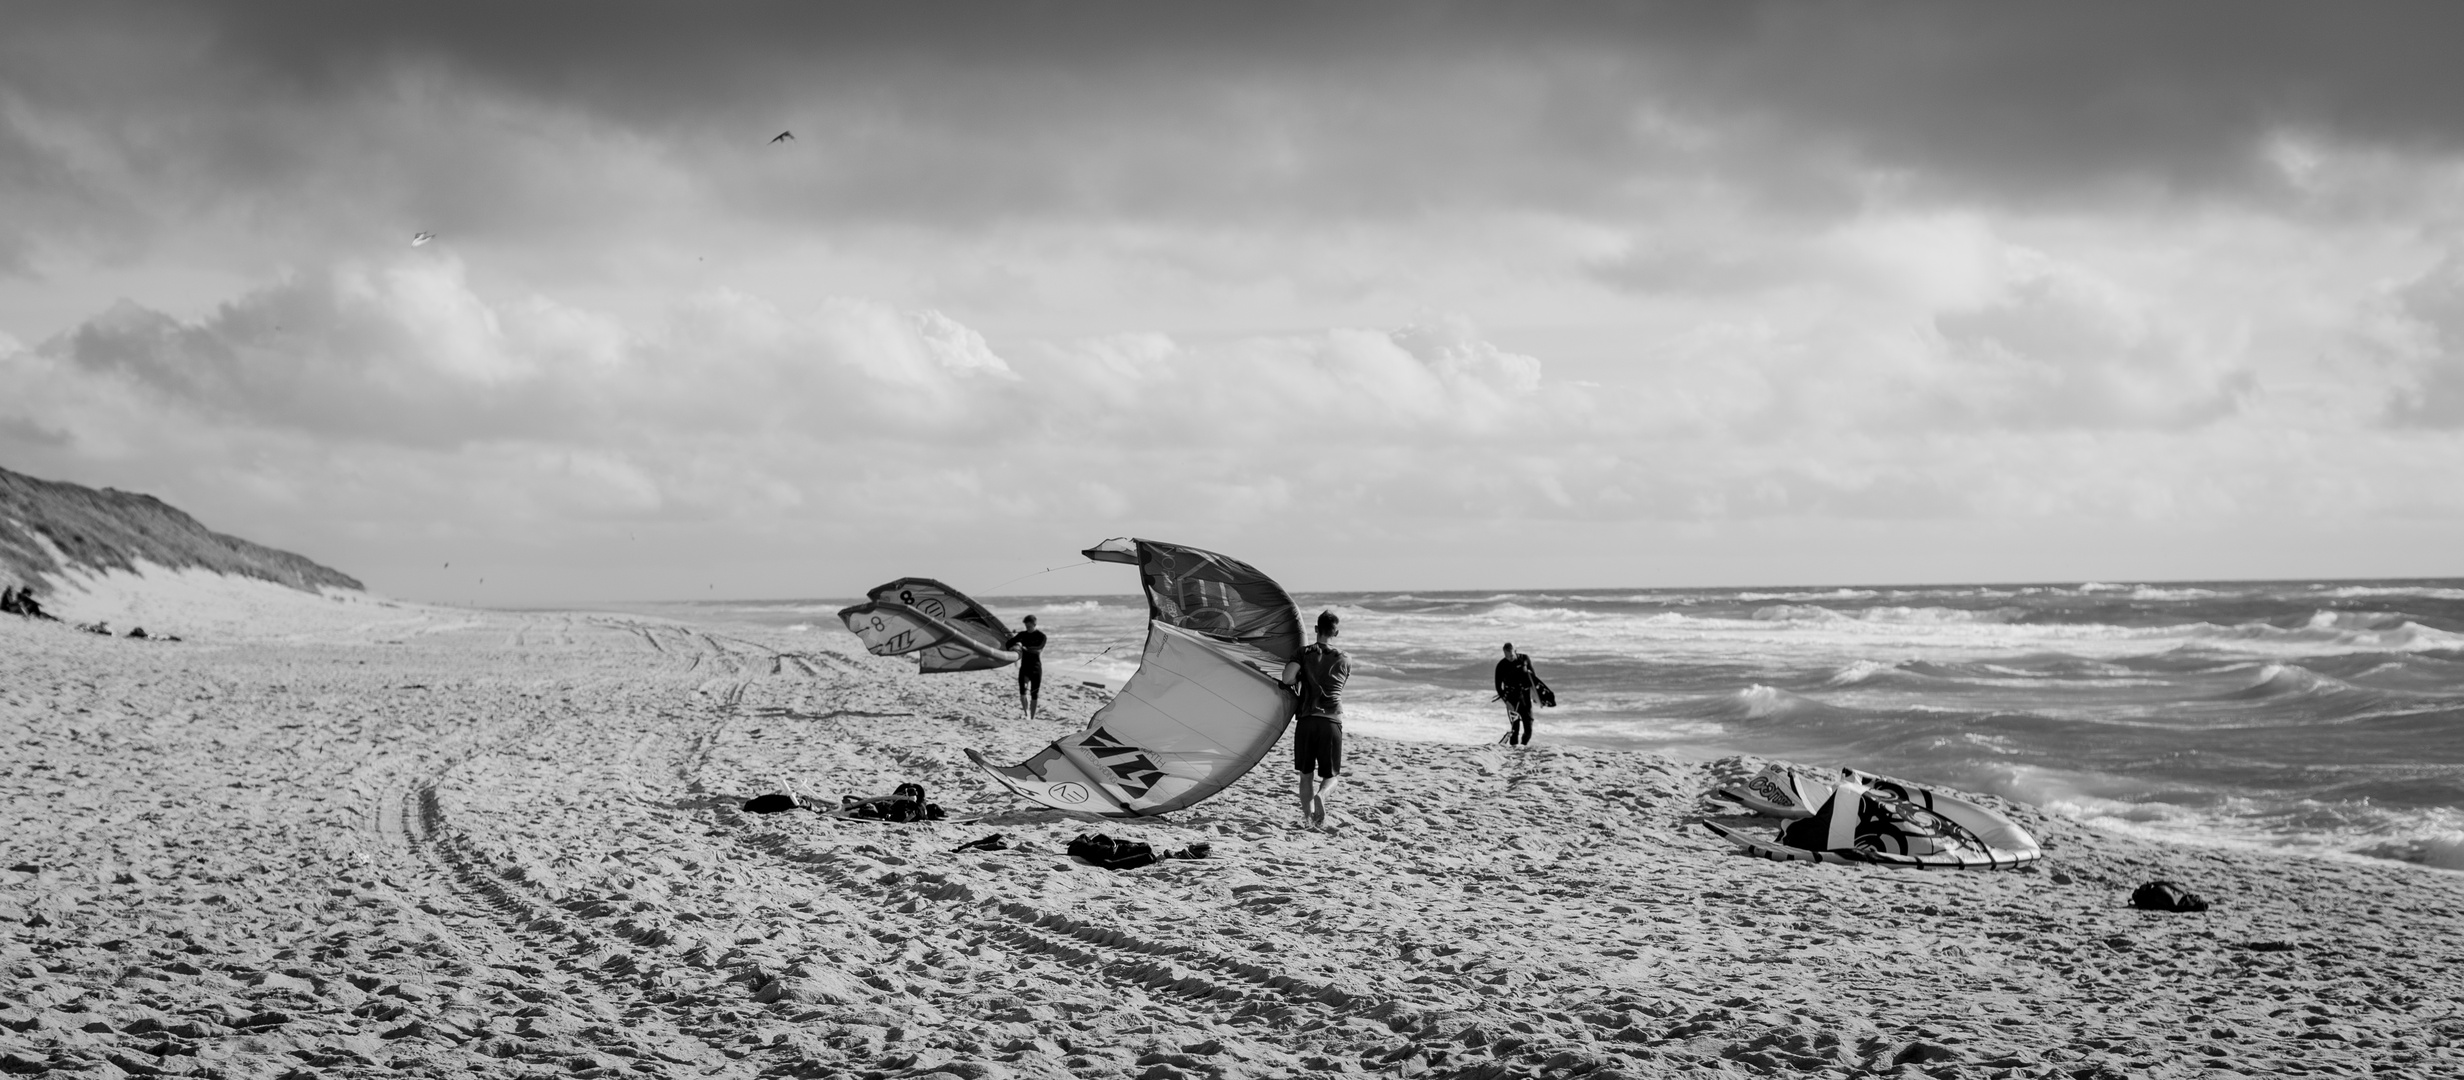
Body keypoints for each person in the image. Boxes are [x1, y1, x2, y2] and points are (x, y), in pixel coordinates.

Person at [1283, 610, 1351, 830]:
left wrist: (1299, 676)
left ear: (1315, 629)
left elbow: (1287, 677)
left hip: (1306, 720)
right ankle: (1322, 794)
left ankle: (1309, 818)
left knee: (1305, 775)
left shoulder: (1303, 653)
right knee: (1331, 775)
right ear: (1336, 632)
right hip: (1331, 721)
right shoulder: (1344, 658)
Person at [1494, 642, 1542, 746]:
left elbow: (1533, 678)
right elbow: (1498, 687)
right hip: (1511, 698)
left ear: (1515, 651)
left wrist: (1536, 696)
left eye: (1511, 655)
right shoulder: (1501, 665)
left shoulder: (1524, 659)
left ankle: (1524, 745)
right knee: (1515, 729)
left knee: (1528, 729)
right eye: (1506, 656)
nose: (1509, 658)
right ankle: (1514, 750)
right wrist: (1507, 703)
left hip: (1525, 696)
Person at [1005, 614, 1048, 720]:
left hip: (1036, 668)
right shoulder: (1022, 635)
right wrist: (1015, 646)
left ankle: (1032, 717)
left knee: (1034, 693)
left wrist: (1022, 646)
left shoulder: (1041, 636)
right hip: (1024, 667)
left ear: (1034, 624)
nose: (1027, 628)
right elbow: (1008, 644)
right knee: (1022, 692)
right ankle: (1026, 713)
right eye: (1026, 626)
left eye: (1029, 626)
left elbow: (1038, 649)